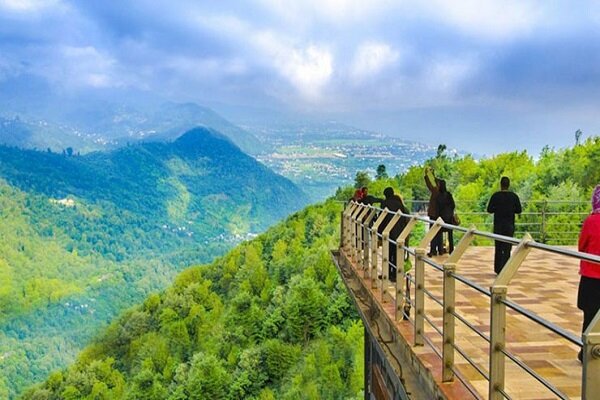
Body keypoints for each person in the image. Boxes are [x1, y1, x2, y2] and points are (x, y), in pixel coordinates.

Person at [577, 185, 600, 362]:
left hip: (591, 276)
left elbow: (581, 247)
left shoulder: (591, 221)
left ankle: (586, 351)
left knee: (589, 315)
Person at [487, 176, 522, 274]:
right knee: (507, 247)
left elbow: (489, 209)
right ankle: (506, 268)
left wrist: (497, 209)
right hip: (509, 225)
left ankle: (498, 269)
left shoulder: (495, 196)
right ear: (509, 185)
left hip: (498, 225)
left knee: (498, 247)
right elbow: (519, 210)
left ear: (501, 184)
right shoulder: (514, 196)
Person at [378, 187, 409, 282]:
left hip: (389, 231)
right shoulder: (400, 204)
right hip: (400, 232)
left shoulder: (385, 203)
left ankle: (386, 273)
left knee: (388, 253)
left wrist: (379, 232)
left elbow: (382, 218)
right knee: (397, 254)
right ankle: (395, 275)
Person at [424, 166, 443, 256]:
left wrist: (427, 176)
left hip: (434, 214)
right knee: (439, 232)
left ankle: (433, 250)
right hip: (441, 215)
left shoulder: (435, 191)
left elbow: (430, 185)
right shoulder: (445, 194)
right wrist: (432, 175)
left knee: (433, 232)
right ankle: (440, 249)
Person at [436, 179, 456, 254]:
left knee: (439, 233)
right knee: (450, 234)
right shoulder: (449, 195)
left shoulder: (438, 196)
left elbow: (437, 208)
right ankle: (451, 249)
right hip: (449, 217)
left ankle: (440, 250)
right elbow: (453, 205)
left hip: (441, 217)